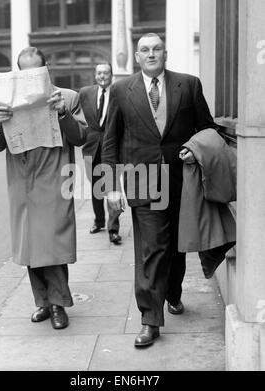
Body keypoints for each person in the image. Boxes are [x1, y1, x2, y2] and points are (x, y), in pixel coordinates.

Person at [102, 33, 218, 347]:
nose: (151, 54)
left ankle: (173, 292)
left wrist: (196, 149)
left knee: (178, 247)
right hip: (142, 180)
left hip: (182, 180)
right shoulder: (121, 90)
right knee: (152, 248)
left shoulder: (189, 85)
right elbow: (110, 141)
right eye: (145, 50)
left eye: (156, 49)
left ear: (165, 53)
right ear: (137, 57)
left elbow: (207, 128)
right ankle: (150, 320)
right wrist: (111, 188)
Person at [0, 47, 87, 330]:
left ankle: (59, 304)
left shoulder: (67, 97)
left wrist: (63, 113)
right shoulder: (7, 101)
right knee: (32, 246)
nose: (30, 76)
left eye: (35, 70)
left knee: (51, 245)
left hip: (54, 180)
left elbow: (81, 137)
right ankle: (42, 301)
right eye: (24, 71)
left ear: (47, 68)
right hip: (22, 182)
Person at [79, 63, 122, 244]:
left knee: (112, 188)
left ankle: (113, 229)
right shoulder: (85, 93)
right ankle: (99, 221)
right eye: (99, 73)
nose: (102, 76)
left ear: (112, 75)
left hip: (112, 149)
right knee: (96, 188)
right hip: (91, 148)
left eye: (106, 73)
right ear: (95, 75)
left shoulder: (119, 94)